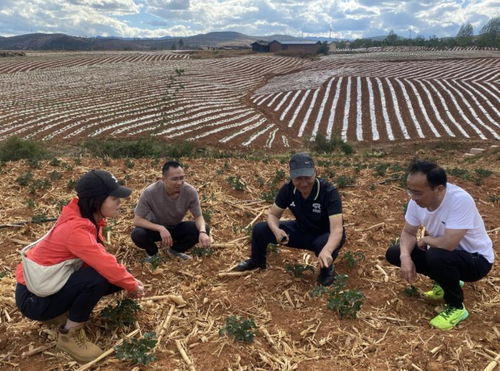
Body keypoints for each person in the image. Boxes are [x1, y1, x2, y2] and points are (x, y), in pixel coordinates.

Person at [15, 170, 144, 363]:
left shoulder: (86, 218)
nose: (120, 202)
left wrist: (127, 281)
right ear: (96, 200)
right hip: (33, 300)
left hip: (44, 289)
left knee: (112, 278)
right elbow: (105, 264)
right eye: (114, 198)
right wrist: (132, 285)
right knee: (99, 277)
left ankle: (60, 313)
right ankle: (69, 335)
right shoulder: (76, 229)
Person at [385, 159, 494, 330]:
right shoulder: (416, 202)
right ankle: (445, 282)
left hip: (476, 260)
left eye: (418, 193)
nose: (413, 198)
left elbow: (449, 244)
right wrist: (405, 257)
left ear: (439, 189)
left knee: (436, 254)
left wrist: (426, 240)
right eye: (410, 191)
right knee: (394, 253)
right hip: (446, 255)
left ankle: (456, 307)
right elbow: (408, 232)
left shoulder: (460, 200)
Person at [233, 153, 345, 286]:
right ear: (291, 176)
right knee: (260, 229)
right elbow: (273, 215)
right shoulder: (288, 190)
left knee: (323, 245)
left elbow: (337, 229)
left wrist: (327, 250)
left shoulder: (328, 191)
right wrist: (276, 230)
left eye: (307, 177)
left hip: (324, 235)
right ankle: (257, 261)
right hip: (301, 230)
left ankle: (326, 270)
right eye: (298, 178)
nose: (303, 183)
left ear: (315, 173)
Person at [131, 160, 211, 261]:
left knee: (204, 228)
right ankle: (153, 254)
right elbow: (137, 220)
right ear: (163, 179)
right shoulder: (150, 192)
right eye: (174, 179)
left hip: (175, 227)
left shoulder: (190, 191)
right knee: (138, 234)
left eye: (182, 178)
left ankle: (176, 250)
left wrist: (203, 232)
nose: (179, 183)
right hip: (154, 229)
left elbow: (198, 216)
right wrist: (160, 228)